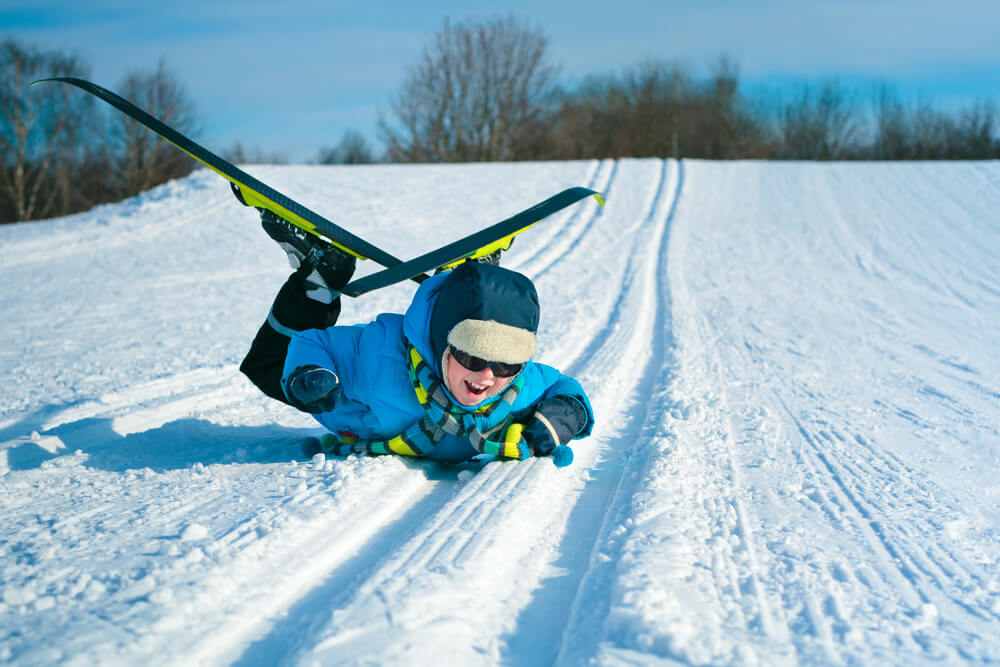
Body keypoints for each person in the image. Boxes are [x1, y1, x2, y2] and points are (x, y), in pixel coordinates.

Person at [240, 209, 594, 465]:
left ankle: (465, 277)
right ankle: (319, 278)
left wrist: (558, 420)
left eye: (505, 365)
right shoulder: (380, 355)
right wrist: (310, 375)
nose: (487, 376)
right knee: (271, 368)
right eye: (472, 357)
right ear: (444, 343)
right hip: (346, 402)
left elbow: (565, 390)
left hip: (372, 419)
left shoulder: (519, 385)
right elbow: (310, 342)